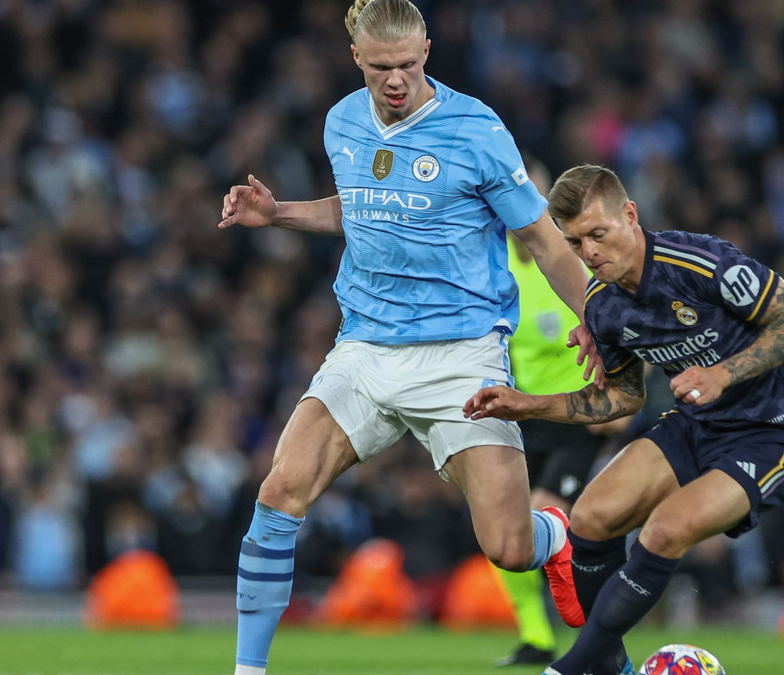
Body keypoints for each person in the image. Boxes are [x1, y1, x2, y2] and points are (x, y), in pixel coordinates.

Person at [216, 2, 597, 674]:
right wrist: (278, 214)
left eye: (409, 65)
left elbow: (541, 235)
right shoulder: (341, 121)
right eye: (382, 68)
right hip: (363, 347)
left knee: (508, 545)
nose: (396, 81)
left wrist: (594, 317)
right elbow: (357, 205)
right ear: (356, 57)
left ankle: (553, 535)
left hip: (461, 354)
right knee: (280, 490)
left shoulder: (476, 129)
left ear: (426, 49)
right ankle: (248, 671)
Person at [465, 165, 784, 675]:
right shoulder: (603, 306)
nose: (588, 253)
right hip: (696, 424)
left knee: (663, 531)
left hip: (772, 429)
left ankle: (568, 669)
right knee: (589, 519)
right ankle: (611, 668)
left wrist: (723, 373)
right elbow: (622, 398)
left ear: (630, 216)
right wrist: (529, 404)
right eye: (574, 243)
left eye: (598, 234)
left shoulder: (698, 262)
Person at [493, 159, 625, 668]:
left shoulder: (575, 260)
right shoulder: (495, 260)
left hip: (578, 413)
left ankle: (594, 632)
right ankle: (536, 636)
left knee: (546, 511)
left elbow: (619, 325)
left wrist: (617, 396)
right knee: (503, 524)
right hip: (524, 414)